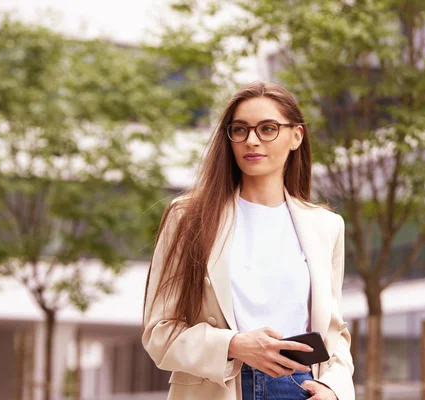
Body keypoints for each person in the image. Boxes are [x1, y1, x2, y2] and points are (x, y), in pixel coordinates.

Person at [142, 81, 355, 400]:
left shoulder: (326, 226)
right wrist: (233, 344)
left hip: (300, 387)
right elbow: (159, 331)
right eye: (239, 130)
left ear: (296, 136)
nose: (251, 140)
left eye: (267, 128)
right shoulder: (188, 218)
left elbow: (335, 334)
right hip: (218, 387)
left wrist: (334, 388)